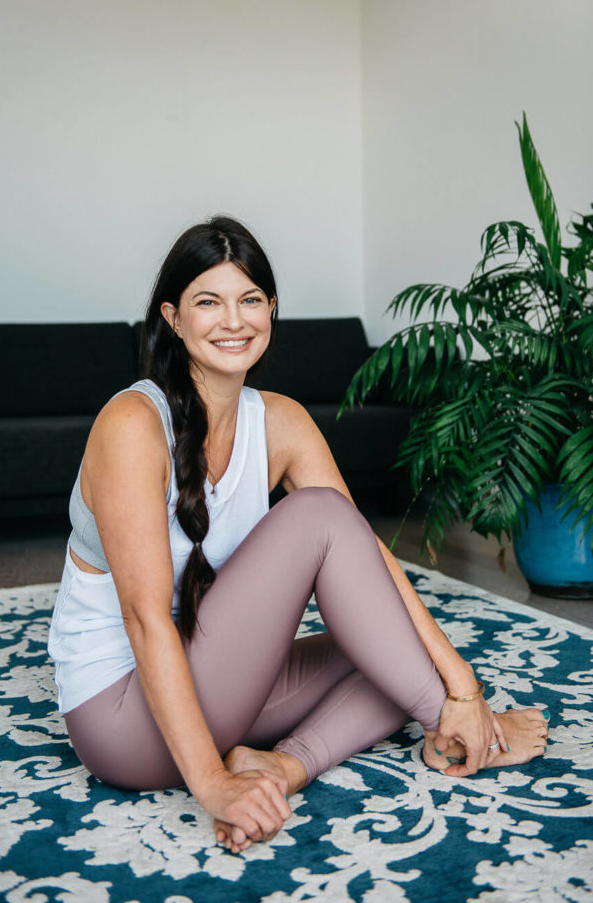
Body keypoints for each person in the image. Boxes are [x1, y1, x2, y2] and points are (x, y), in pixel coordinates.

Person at [48, 216, 549, 854]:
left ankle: (285, 766)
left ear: (272, 309)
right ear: (173, 318)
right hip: (123, 720)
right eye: (208, 302)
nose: (233, 320)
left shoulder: (280, 421)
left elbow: (374, 567)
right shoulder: (131, 424)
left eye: (249, 299)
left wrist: (461, 685)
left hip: (213, 686)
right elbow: (147, 620)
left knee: (386, 646)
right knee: (319, 516)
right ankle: (469, 737)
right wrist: (213, 787)